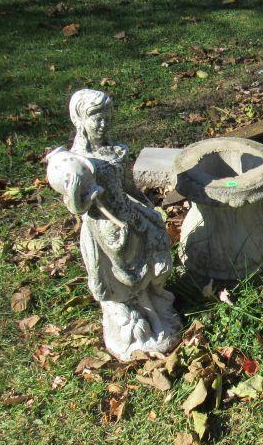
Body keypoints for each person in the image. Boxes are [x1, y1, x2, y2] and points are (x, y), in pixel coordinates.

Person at [46, 89, 180, 360]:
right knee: (120, 275)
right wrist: (79, 196)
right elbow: (76, 207)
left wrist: (147, 207)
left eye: (107, 117)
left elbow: (128, 185)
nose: (104, 124)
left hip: (131, 215)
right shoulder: (76, 164)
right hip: (104, 229)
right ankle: (129, 315)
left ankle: (151, 300)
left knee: (156, 253)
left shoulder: (115, 150)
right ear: (80, 121)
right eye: (96, 118)